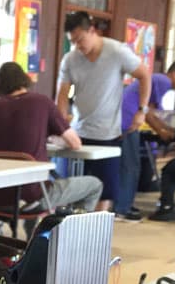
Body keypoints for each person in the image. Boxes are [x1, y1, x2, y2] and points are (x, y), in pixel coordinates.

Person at [0, 62, 103, 236]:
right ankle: (74, 236)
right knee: (94, 185)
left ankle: (34, 236)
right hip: (32, 197)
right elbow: (75, 143)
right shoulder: (42, 102)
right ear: (24, 79)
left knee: (34, 182)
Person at [56, 11, 152, 211]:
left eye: (80, 40)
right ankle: (70, 230)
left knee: (105, 189)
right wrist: (61, 124)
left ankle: (97, 232)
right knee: (71, 185)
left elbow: (144, 75)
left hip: (107, 133)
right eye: (73, 42)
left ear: (92, 31)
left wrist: (141, 110)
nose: (78, 46)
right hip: (78, 133)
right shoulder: (70, 59)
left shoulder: (117, 52)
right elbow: (62, 94)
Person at [115, 59, 175, 222]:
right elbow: (147, 114)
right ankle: (121, 208)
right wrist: (162, 132)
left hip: (127, 120)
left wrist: (166, 128)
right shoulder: (163, 81)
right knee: (130, 166)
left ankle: (124, 204)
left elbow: (150, 111)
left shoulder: (158, 80)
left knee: (131, 165)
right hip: (128, 121)